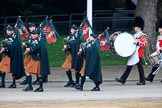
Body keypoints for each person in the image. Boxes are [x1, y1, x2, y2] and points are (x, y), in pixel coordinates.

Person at [115, 16, 147, 85]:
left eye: (135, 27)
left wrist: (137, 42)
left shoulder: (143, 35)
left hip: (138, 53)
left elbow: (144, 44)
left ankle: (142, 81)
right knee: (129, 66)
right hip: (134, 53)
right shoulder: (135, 35)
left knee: (140, 67)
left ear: (139, 27)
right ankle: (123, 79)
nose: (134, 28)